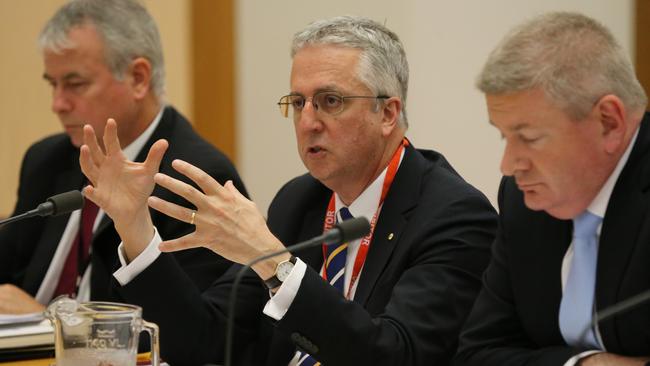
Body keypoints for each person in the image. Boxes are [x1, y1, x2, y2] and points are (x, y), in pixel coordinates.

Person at [81, 16, 498, 365]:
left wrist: (277, 266)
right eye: (298, 103)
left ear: (387, 112)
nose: (308, 122)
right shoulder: (300, 202)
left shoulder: (454, 216)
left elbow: (393, 356)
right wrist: (135, 229)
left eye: (330, 101)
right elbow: (204, 339)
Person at [0, 0, 247, 321]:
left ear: (138, 78)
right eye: (53, 83)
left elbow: (191, 336)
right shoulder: (48, 159)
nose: (57, 104)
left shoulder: (194, 177)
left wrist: (49, 322)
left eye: (75, 84)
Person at [453, 12, 650, 366]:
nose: (509, 165)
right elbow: (478, 353)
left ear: (609, 122)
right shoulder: (522, 201)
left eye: (528, 138)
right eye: (505, 136)